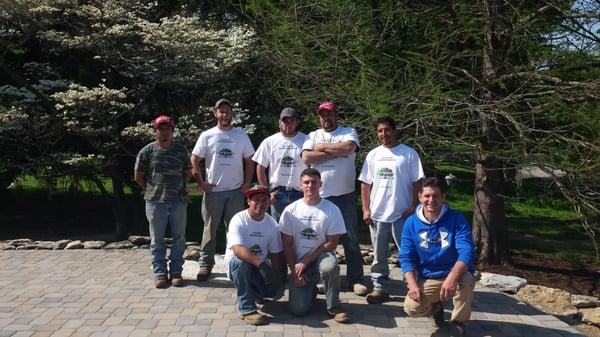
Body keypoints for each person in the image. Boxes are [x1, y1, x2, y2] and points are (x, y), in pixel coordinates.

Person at [301, 101, 367, 296]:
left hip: (345, 195)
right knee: (320, 240)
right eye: (322, 115)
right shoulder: (313, 135)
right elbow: (306, 158)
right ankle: (323, 277)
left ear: (335, 114)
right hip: (321, 197)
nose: (326, 118)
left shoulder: (348, 131)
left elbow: (348, 149)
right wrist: (335, 152)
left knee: (350, 239)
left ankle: (356, 279)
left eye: (329, 114)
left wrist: (321, 149)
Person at [358, 116, 424, 303]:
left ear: (394, 131)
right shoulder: (373, 155)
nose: (383, 134)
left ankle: (412, 288)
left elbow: (417, 182)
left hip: (402, 213)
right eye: (379, 131)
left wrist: (413, 206)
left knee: (407, 252)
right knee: (379, 255)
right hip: (377, 214)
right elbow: (365, 183)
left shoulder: (408, 154)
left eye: (387, 130)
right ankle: (379, 288)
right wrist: (365, 208)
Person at [400, 177, 475, 336]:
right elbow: (406, 257)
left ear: (443, 197)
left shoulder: (457, 219)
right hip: (428, 275)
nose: (431, 200)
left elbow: (466, 251)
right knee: (412, 309)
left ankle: (458, 323)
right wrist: (413, 285)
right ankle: (437, 307)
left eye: (436, 196)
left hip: (454, 271)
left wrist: (452, 277)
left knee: (466, 281)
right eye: (427, 196)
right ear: (420, 197)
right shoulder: (411, 223)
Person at [191, 98, 255, 281]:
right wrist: (201, 183)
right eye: (221, 111)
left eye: (227, 111)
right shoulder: (207, 135)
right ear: (215, 113)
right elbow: (194, 159)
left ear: (231, 113)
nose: (224, 114)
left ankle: (235, 263)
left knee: (235, 229)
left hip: (235, 191)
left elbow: (250, 160)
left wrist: (247, 183)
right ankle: (206, 264)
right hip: (213, 191)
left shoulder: (241, 135)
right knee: (209, 229)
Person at [278, 168, 350, 323]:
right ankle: (309, 289)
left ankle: (334, 306)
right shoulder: (290, 210)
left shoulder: (331, 209)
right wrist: (295, 271)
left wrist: (307, 260)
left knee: (330, 267)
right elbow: (287, 244)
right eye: (306, 182)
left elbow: (332, 243)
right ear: (300, 185)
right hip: (297, 262)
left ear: (320, 184)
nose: (310, 185)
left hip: (320, 257)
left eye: (314, 182)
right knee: (298, 310)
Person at [134, 115, 192, 288]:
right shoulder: (147, 151)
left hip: (177, 201)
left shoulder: (181, 151)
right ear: (155, 131)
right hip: (155, 202)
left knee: (179, 238)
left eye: (167, 128)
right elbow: (138, 176)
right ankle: (160, 273)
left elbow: (188, 172)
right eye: (161, 128)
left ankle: (176, 272)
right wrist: (150, 189)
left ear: (172, 130)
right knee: (157, 239)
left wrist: (181, 186)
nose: (164, 131)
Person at [225, 185, 284, 326]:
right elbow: (238, 249)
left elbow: (276, 253)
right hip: (238, 265)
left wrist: (276, 275)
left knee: (276, 292)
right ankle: (247, 310)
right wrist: (262, 264)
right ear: (249, 202)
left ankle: (257, 293)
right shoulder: (238, 219)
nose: (261, 204)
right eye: (256, 200)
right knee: (241, 263)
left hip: (259, 267)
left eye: (265, 200)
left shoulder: (272, 224)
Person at [253, 107, 307, 221]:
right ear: (279, 123)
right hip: (277, 194)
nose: (288, 124)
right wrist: (267, 192)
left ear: (297, 122)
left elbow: (313, 166)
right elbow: (260, 167)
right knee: (278, 230)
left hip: (300, 192)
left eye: (292, 120)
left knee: (299, 229)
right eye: (285, 121)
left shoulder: (307, 140)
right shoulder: (270, 141)